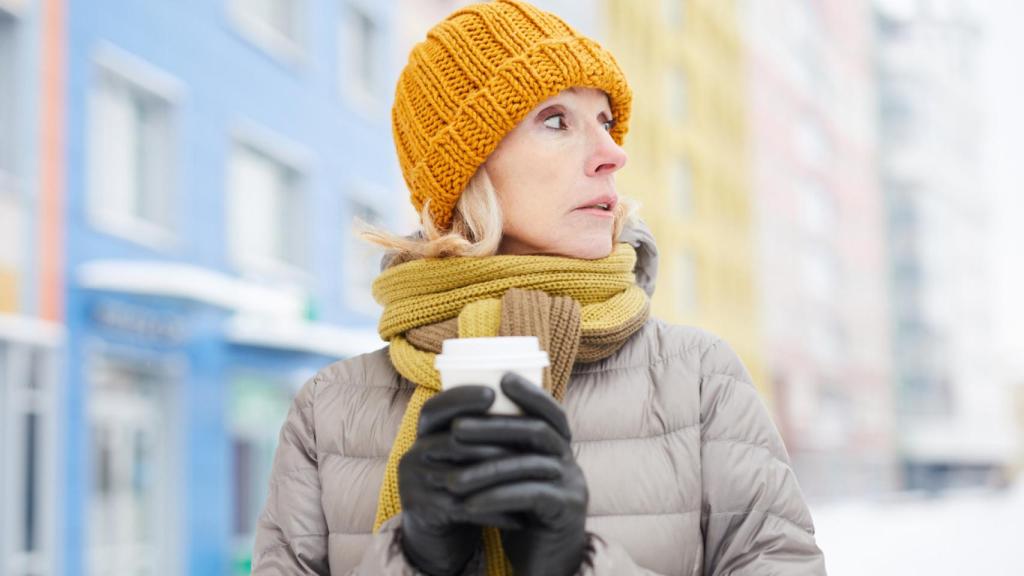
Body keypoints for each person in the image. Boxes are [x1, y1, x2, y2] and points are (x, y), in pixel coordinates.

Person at [252, 1, 826, 574]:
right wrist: (414, 559)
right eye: (556, 121)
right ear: (467, 169)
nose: (613, 154)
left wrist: (575, 565)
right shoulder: (328, 412)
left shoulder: (698, 381)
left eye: (604, 121)